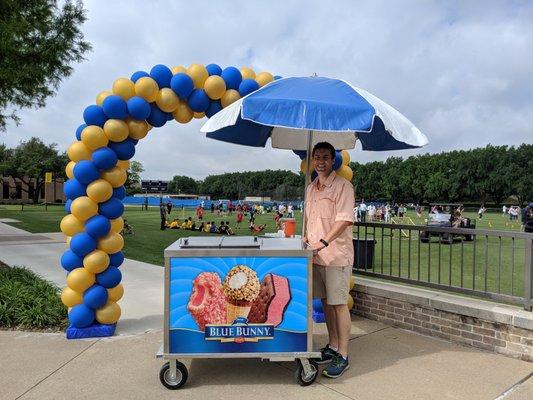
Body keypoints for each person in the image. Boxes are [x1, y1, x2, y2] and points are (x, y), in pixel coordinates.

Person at [304, 142, 354, 379]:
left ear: (333, 160)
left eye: (325, 157)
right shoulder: (311, 188)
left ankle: (343, 354)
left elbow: (343, 220)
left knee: (339, 304)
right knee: (325, 301)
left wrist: (323, 242)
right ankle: (333, 345)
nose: (321, 161)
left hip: (335, 255)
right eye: (317, 157)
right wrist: (305, 239)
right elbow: (309, 220)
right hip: (315, 256)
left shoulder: (344, 186)